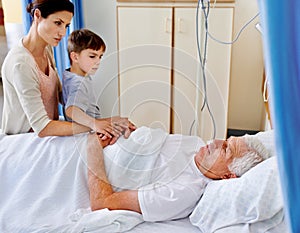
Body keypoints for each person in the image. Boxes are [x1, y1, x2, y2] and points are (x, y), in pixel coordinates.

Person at [1, 0, 134, 140]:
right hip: (27, 140)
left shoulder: (46, 49)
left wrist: (107, 122)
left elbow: (61, 93)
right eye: (58, 23)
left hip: (49, 132)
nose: (63, 32)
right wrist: (95, 124)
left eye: (67, 25)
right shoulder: (21, 64)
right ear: (37, 15)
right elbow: (42, 128)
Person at [86, 129, 271, 222]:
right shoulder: (194, 144)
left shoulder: (182, 192)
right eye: (226, 140)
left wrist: (92, 148)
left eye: (225, 149)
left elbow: (102, 202)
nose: (215, 142)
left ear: (228, 176)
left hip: (81, 161)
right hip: (101, 139)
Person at [62, 29, 136, 144]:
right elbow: (71, 110)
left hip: (91, 127)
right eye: (92, 56)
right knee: (130, 137)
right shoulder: (78, 83)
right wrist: (95, 124)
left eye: (100, 57)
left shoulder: (70, 75)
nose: (98, 62)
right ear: (75, 57)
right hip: (88, 132)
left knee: (125, 127)